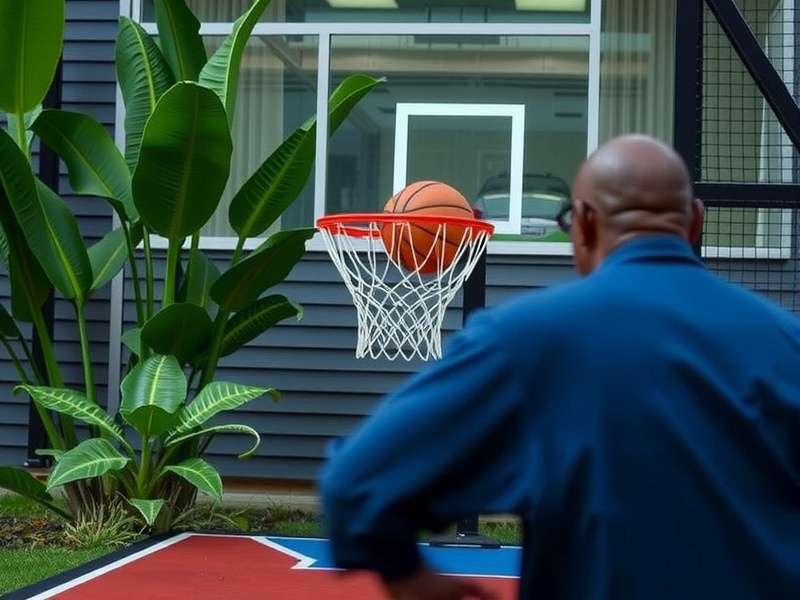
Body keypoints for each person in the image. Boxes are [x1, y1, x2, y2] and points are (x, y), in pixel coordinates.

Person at [319, 135, 800, 599]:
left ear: (585, 222)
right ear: (694, 221)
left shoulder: (523, 342)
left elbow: (356, 485)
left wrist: (410, 577)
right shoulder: (787, 343)